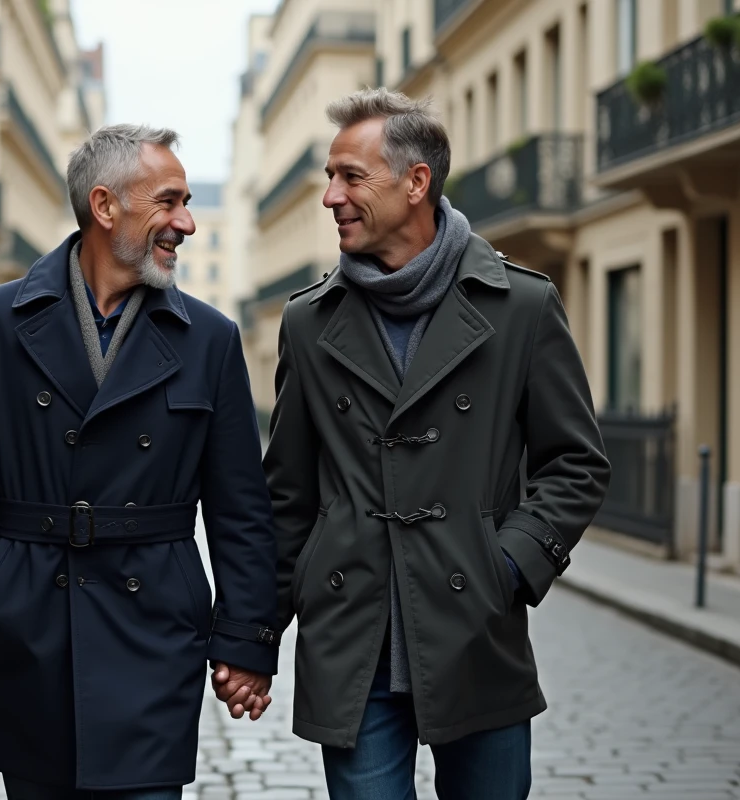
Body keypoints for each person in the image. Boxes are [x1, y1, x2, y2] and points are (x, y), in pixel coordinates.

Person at [0, 124, 279, 800]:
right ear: (106, 207)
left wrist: (246, 642)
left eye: (188, 202)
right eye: (168, 202)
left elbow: (241, 510)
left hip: (156, 631)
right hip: (33, 627)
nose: (187, 223)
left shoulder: (211, 341)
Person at [260, 88, 611, 799]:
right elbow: (287, 497)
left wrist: (504, 567)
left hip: (475, 630)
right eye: (330, 177)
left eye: (350, 177)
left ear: (415, 182)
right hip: (352, 635)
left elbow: (575, 462)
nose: (330, 196)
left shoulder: (521, 305)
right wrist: (251, 636)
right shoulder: (307, 323)